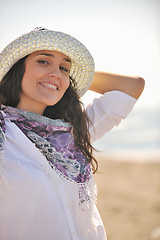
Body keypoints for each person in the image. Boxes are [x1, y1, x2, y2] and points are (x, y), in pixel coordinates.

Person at [0, 27, 144, 240]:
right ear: (16, 68)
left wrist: (68, 76)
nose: (56, 72)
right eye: (43, 61)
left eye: (64, 68)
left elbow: (133, 86)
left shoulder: (72, 131)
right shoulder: (4, 132)